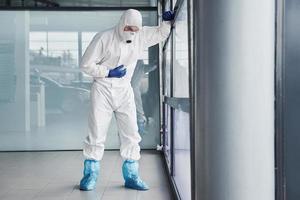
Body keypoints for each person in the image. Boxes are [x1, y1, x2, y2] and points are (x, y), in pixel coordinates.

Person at [79, 9, 174, 191]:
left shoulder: (140, 34)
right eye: (128, 28)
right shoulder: (104, 38)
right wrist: (108, 72)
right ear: (122, 23)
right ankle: (90, 175)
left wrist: (167, 22)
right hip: (103, 89)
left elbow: (160, 34)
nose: (132, 32)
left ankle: (132, 176)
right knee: (96, 133)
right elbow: (85, 64)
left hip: (124, 90)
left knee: (131, 133)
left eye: (135, 29)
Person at [131, 60, 157, 135]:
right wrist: (156, 63)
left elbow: (150, 67)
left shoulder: (139, 66)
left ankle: (139, 126)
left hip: (129, 92)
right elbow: (151, 67)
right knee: (137, 110)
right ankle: (140, 126)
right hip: (133, 93)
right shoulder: (140, 65)